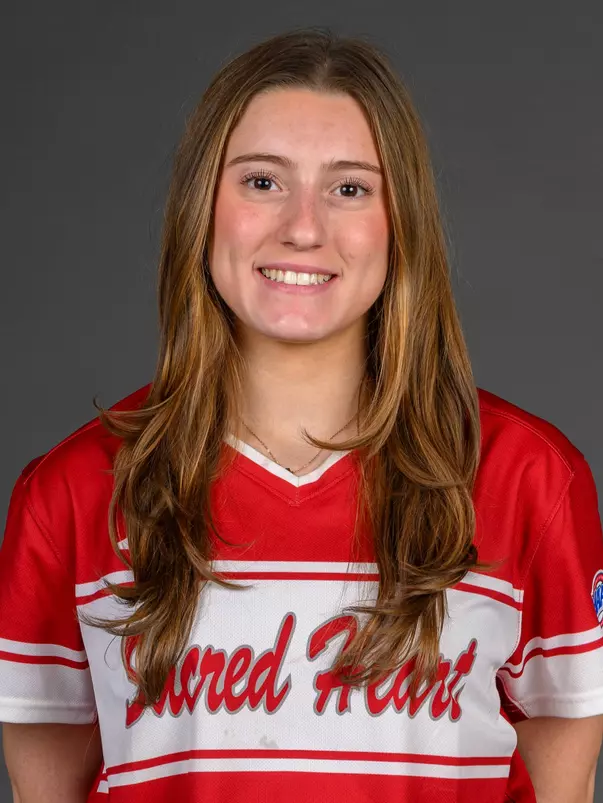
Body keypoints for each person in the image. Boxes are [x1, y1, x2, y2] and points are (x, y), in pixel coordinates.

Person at [0, 26, 602, 803]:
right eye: (261, 181)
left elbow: (562, 732)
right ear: (201, 208)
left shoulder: (527, 476)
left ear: (400, 221)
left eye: (349, 188)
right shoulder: (74, 489)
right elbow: (48, 761)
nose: (303, 227)